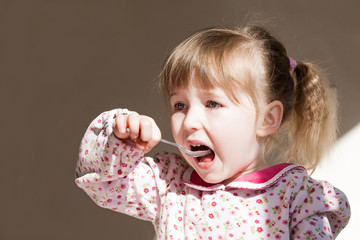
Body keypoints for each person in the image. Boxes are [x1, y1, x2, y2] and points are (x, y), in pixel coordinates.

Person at [75, 25, 350, 239]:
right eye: (180, 105)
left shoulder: (297, 198)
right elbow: (102, 184)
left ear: (267, 119)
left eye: (213, 103)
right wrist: (118, 138)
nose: (190, 121)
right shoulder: (167, 183)